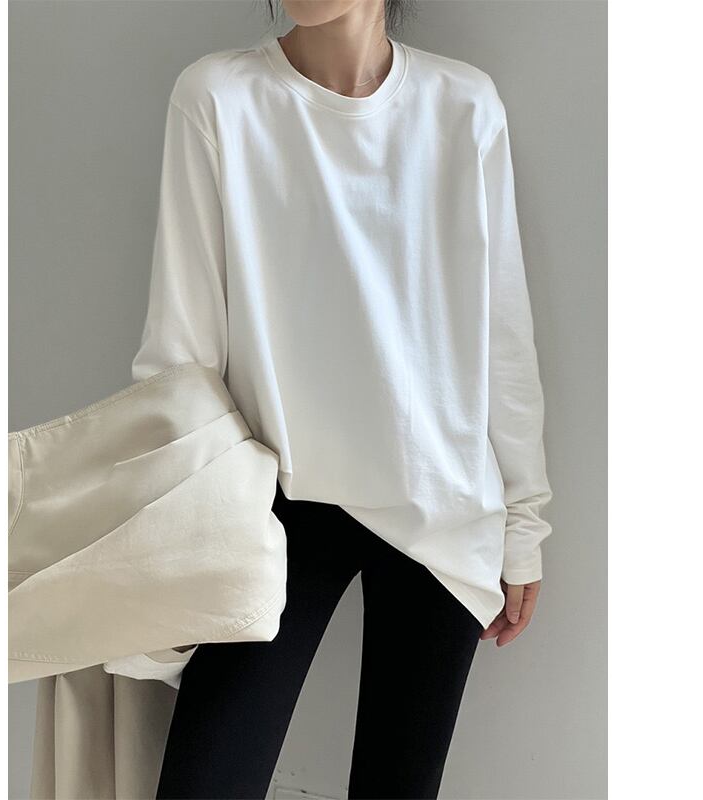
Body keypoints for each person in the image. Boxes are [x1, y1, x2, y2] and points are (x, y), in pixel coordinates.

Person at [131, 1, 554, 797]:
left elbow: (503, 335)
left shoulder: (464, 106)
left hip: (441, 508)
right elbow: (181, 357)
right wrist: (167, 534)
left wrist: (525, 521)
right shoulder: (218, 98)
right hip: (276, 502)